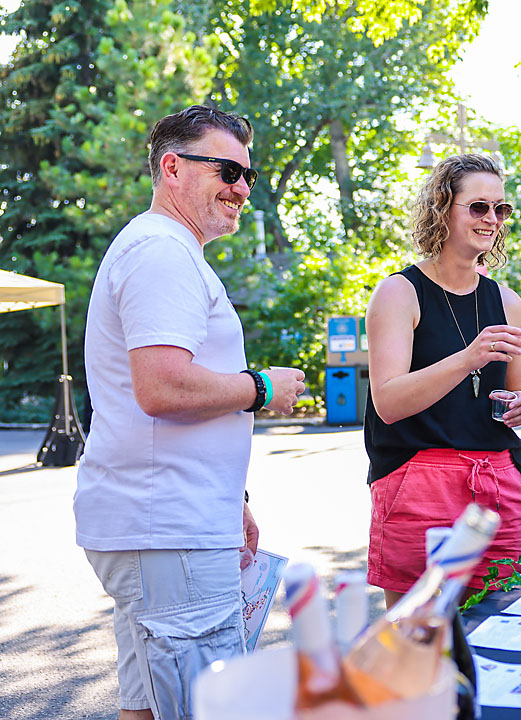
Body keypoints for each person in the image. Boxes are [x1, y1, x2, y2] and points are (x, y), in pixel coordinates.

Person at [74, 105, 306, 720]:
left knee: (147, 706)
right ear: (171, 168)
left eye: (248, 175)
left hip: (163, 526)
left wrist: (237, 500)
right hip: (167, 531)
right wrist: (262, 387)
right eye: (227, 169)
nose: (241, 188)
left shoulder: (165, 249)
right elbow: (162, 387)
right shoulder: (161, 251)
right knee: (211, 709)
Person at [363, 154, 521, 607]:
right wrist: (467, 358)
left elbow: (512, 393)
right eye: (479, 207)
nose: (492, 219)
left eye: (502, 208)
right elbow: (388, 401)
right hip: (418, 482)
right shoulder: (400, 292)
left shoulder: (508, 301)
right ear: (443, 208)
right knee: (416, 640)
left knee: (508, 625)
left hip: (498, 480)